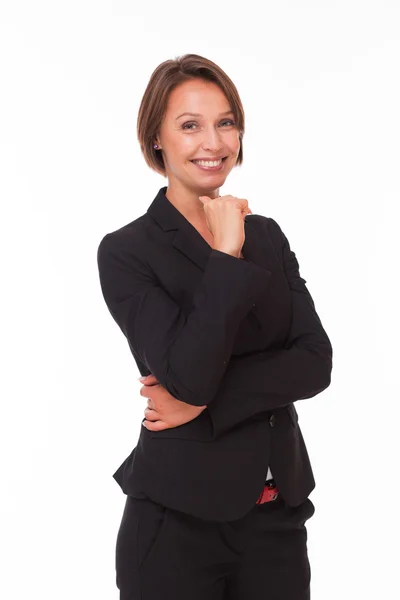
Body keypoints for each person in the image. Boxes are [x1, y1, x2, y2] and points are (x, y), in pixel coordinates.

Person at [97, 53, 333, 600]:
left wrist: (204, 407)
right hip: (175, 523)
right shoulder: (128, 252)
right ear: (156, 138)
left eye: (225, 122)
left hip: (276, 520)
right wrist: (226, 255)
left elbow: (314, 362)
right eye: (189, 125)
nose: (213, 142)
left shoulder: (268, 236)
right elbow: (188, 376)